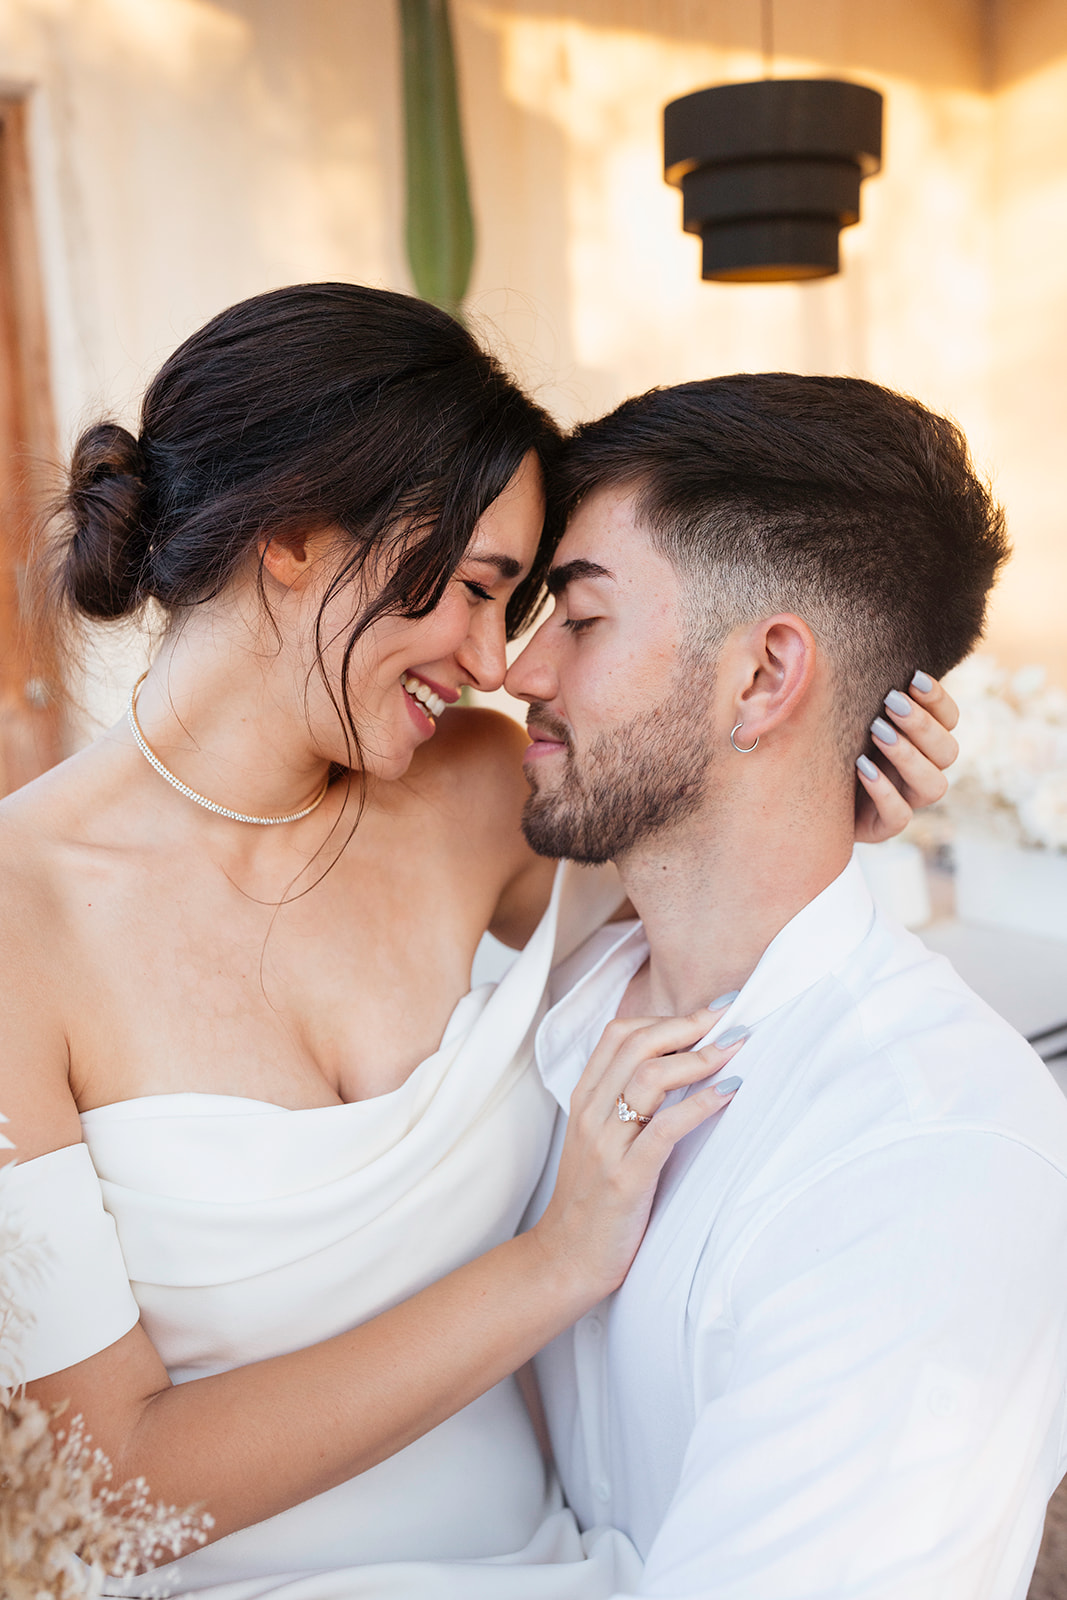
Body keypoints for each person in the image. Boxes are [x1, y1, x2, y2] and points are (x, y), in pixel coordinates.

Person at [0, 287, 956, 1600]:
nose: (493, 660)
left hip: (561, 1562)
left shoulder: (472, 792)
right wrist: (553, 1261)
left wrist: (827, 787)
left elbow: (723, 902)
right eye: (471, 591)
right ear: (292, 537)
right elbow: (99, 1489)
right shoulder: (20, 922)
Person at [503, 373, 1067, 1600]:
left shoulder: (929, 1155)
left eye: (581, 620)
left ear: (762, 678)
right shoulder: (547, 1000)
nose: (521, 671)